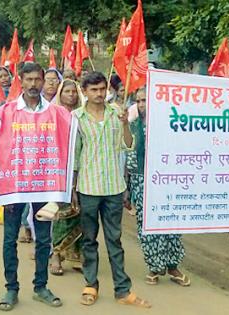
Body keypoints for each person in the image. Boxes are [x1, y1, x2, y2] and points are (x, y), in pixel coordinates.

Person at [73, 71, 151, 308]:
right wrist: (73, 189)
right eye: (93, 90)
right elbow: (74, 156)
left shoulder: (118, 113)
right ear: (84, 91)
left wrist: (126, 124)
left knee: (114, 239)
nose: (98, 94)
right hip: (87, 187)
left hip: (114, 187)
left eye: (101, 89)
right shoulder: (76, 118)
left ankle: (122, 290)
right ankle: (91, 284)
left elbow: (128, 146)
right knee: (88, 239)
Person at [0, 63, 63, 311]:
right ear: (21, 80)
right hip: (15, 187)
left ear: (43, 82)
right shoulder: (5, 112)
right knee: (10, 238)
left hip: (44, 186)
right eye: (28, 79)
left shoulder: (56, 113)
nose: (33, 84)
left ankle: (41, 286)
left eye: (37, 80)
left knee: (44, 239)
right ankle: (11, 288)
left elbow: (68, 141)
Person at [127, 87, 190, 286]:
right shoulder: (132, 124)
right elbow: (128, 151)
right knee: (147, 224)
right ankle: (154, 267)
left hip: (167, 180)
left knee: (170, 224)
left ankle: (173, 267)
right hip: (141, 180)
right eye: (138, 101)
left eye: (145, 100)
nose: (142, 104)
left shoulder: (170, 124)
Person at [50, 79, 83, 275]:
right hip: (59, 170)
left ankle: (75, 254)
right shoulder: (53, 115)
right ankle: (56, 255)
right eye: (67, 91)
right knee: (61, 213)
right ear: (60, 94)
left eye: (74, 92)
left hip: (81, 168)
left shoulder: (83, 115)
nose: (71, 95)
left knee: (80, 212)